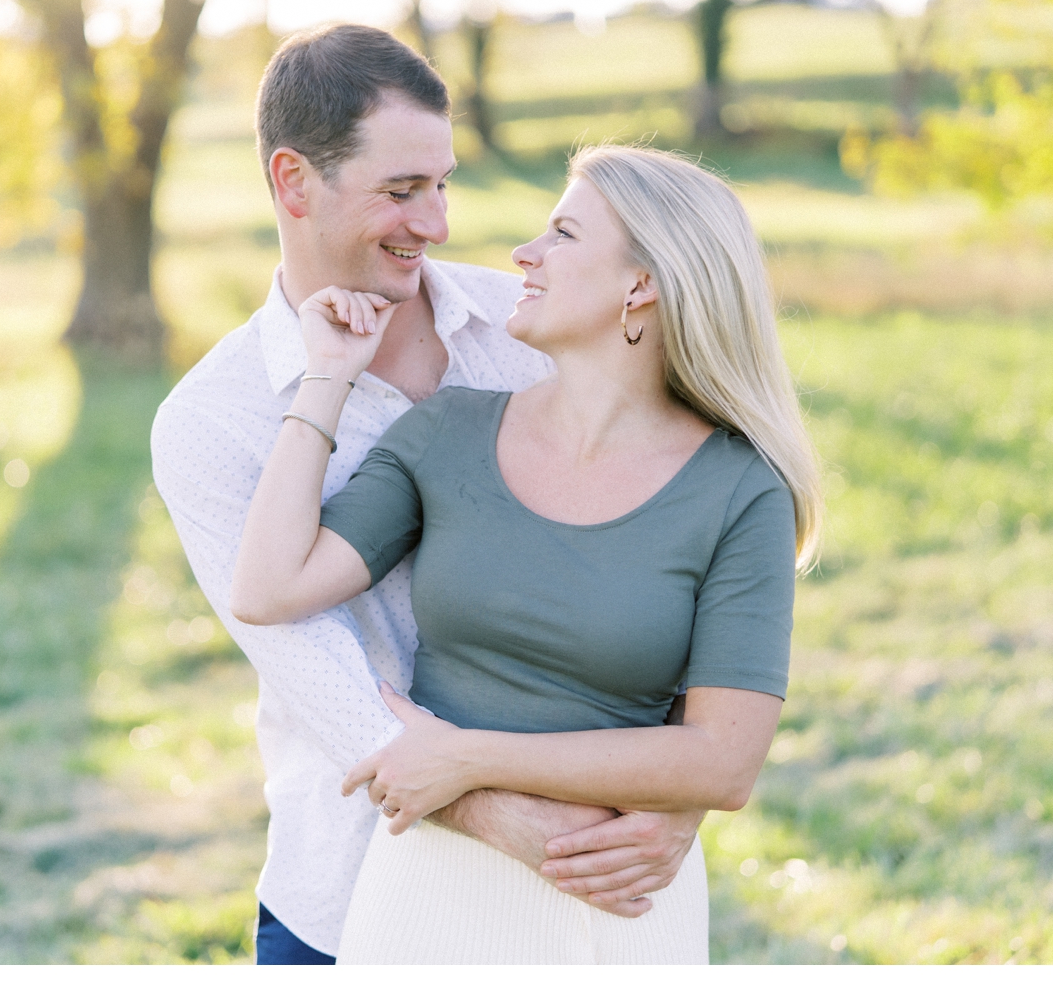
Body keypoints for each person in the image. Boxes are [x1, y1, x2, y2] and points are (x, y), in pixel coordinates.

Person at [150, 25, 705, 965]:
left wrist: (677, 796)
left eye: (441, 183)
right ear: (293, 182)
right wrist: (518, 824)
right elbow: (316, 674)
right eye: (401, 191)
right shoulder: (213, 419)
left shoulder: (528, 328)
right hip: (352, 892)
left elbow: (672, 545)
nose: (437, 223)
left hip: (585, 881)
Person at [229, 143, 824, 964]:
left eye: (564, 235)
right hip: (418, 900)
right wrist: (325, 377)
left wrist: (466, 757)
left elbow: (723, 763)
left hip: (611, 900)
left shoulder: (740, 491)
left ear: (641, 283)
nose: (523, 255)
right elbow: (266, 588)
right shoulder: (448, 431)